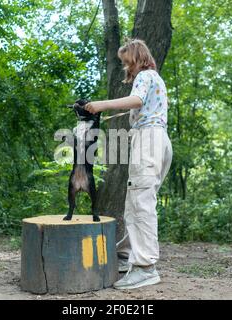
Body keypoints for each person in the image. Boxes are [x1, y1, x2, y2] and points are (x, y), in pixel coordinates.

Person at [85, 38, 173, 290]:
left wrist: (102, 104)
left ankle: (145, 268)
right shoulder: (155, 80)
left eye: (128, 63)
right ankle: (126, 255)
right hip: (159, 141)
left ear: (138, 59)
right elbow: (143, 107)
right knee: (136, 201)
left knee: (140, 203)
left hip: (149, 141)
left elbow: (136, 101)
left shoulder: (145, 76)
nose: (127, 68)